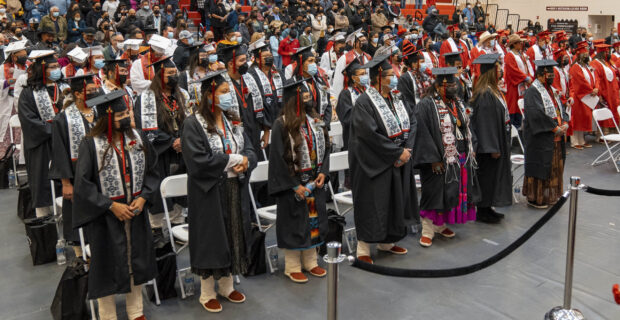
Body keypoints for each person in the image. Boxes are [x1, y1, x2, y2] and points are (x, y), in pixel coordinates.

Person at [73, 90, 158, 320]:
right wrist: (111, 206)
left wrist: (143, 197)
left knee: (135, 260)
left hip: (136, 212)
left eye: (127, 112)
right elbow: (82, 184)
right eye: (120, 114)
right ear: (108, 117)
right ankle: (107, 314)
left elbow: (152, 173)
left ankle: (135, 311)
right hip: (106, 217)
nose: (127, 118)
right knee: (106, 264)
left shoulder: (138, 138)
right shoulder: (91, 144)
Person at [181, 70, 255, 312]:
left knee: (233, 234)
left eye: (229, 92)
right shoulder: (193, 124)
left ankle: (227, 285)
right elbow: (198, 161)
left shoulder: (233, 120)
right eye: (224, 92)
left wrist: (246, 161)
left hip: (235, 186)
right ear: (209, 95)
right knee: (212, 238)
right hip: (209, 191)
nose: (228, 97)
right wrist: (234, 158)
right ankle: (206, 292)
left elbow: (251, 150)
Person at [347, 53, 417, 262]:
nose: (393, 78)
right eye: (388, 75)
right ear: (378, 77)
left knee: (393, 203)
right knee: (373, 204)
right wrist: (396, 153)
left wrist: (407, 150)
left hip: (397, 160)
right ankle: (363, 249)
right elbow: (369, 135)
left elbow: (412, 121)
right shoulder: (364, 102)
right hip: (374, 163)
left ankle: (387, 242)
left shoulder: (396, 97)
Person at [268, 78, 329, 283]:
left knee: (313, 221)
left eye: (308, 95)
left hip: (314, 181)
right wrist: (295, 185)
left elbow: (326, 147)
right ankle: (292, 265)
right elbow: (277, 158)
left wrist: (323, 172)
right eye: (303, 96)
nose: (308, 99)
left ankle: (311, 261)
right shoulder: (281, 124)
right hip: (293, 185)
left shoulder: (315, 120)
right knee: (294, 224)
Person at [413, 67, 478, 247]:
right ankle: (427, 229)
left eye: (454, 83)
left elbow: (467, 126)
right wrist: (433, 158)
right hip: (437, 159)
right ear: (439, 85)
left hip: (458, 155)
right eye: (449, 84)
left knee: (450, 192)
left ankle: (440, 225)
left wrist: (471, 146)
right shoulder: (426, 105)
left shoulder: (457, 102)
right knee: (434, 192)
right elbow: (422, 132)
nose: (453, 87)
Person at [134, 56, 189, 228]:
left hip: (182, 152)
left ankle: (179, 224)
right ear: (159, 75)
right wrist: (171, 142)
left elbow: (192, 121)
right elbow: (145, 129)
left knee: (180, 194)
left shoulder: (183, 95)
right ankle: (158, 231)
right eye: (170, 73)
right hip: (159, 154)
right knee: (159, 194)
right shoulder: (146, 98)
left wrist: (184, 140)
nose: (175, 76)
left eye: (176, 73)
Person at [49, 74, 99, 255]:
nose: (96, 93)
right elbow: (59, 153)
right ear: (78, 94)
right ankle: (81, 257)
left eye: (96, 89)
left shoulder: (100, 112)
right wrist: (66, 183)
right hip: (76, 175)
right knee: (79, 215)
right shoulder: (63, 119)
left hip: (100, 172)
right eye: (91, 91)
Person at [18, 50, 68, 218]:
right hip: (42, 146)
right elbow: (28, 120)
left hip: (65, 143)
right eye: (52, 67)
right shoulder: (28, 93)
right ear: (42, 70)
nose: (56, 70)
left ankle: (68, 221)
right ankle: (44, 221)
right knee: (42, 184)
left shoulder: (65, 88)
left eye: (57, 66)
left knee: (66, 181)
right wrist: (55, 129)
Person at [469, 54, 512, 223]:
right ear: (492, 73)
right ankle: (483, 210)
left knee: (493, 177)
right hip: (489, 146)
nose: (501, 73)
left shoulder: (493, 90)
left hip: (499, 140)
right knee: (487, 176)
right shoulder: (485, 94)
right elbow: (484, 123)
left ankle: (489, 207)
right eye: (499, 70)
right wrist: (492, 147)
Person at [522, 59, 568, 208]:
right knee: (540, 168)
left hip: (555, 137)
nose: (552, 77)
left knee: (553, 169)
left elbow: (559, 107)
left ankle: (549, 196)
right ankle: (537, 198)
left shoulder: (550, 90)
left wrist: (565, 122)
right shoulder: (532, 91)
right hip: (541, 138)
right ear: (541, 75)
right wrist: (555, 129)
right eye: (550, 74)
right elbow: (536, 114)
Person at [217, 43, 270, 154]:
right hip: (235, 135)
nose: (245, 64)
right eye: (241, 61)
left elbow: (263, 103)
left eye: (245, 60)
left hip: (254, 131)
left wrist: (266, 131)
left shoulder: (250, 78)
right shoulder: (221, 84)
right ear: (231, 64)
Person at [247, 37, 285, 140]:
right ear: (258, 59)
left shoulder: (277, 73)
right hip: (261, 122)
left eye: (270, 55)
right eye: (265, 56)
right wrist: (266, 127)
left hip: (279, 117)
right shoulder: (251, 75)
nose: (269, 58)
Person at [289, 46, 332, 128]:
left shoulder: (321, 81)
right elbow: (291, 110)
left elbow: (328, 104)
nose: (314, 64)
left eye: (314, 61)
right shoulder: (292, 84)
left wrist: (325, 124)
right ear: (301, 64)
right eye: (310, 61)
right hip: (303, 128)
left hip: (321, 126)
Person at [568, 41, 597, 150]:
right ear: (579, 56)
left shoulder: (586, 67)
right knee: (577, 118)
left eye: (587, 54)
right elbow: (581, 82)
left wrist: (595, 88)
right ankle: (575, 141)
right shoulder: (575, 67)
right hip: (578, 96)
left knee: (583, 118)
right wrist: (591, 90)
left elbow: (594, 77)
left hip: (586, 96)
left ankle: (582, 140)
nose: (587, 56)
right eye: (585, 55)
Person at [331, 29, 371, 101]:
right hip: (350, 95)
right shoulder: (345, 59)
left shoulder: (367, 57)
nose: (365, 43)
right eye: (362, 41)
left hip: (365, 92)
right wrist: (337, 100)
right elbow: (338, 81)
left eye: (365, 40)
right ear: (354, 44)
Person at [335, 58, 365, 151]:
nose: (365, 76)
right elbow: (347, 118)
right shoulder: (346, 94)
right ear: (353, 77)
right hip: (353, 138)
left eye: (365, 73)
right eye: (362, 74)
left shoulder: (366, 91)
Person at [590, 43, 620, 133]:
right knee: (605, 111)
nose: (607, 54)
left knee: (614, 110)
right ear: (601, 53)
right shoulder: (595, 63)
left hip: (612, 92)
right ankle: (603, 134)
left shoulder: (606, 62)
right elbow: (597, 79)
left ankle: (613, 131)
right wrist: (599, 93)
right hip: (604, 92)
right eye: (606, 52)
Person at [504, 34, 532, 128]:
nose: (521, 44)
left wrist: (528, 76)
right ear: (514, 44)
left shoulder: (520, 54)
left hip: (522, 84)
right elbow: (513, 70)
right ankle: (513, 127)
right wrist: (525, 78)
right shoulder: (509, 55)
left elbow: (525, 67)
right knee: (514, 105)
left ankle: (520, 125)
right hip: (514, 85)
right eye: (519, 43)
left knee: (521, 104)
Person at [398, 40, 429, 110]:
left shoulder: (424, 75)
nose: (424, 65)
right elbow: (406, 101)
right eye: (422, 62)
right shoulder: (405, 78)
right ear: (414, 64)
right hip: (415, 111)